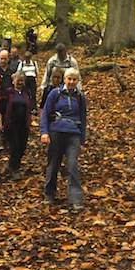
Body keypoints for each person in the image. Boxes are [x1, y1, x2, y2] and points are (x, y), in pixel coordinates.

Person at [40, 67, 87, 210]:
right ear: (65, 79)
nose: (71, 82)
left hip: (73, 134)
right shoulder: (55, 93)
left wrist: (82, 141)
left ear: (77, 81)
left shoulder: (80, 97)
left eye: (74, 79)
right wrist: (44, 132)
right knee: (53, 164)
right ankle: (49, 194)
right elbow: (45, 113)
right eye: (69, 79)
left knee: (73, 165)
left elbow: (83, 119)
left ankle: (75, 199)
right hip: (56, 132)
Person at [0, 72, 32, 179]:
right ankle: (15, 169)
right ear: (13, 81)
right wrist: (0, 122)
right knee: (14, 146)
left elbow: (30, 107)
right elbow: (0, 109)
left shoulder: (26, 92)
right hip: (11, 124)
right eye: (18, 80)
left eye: (22, 80)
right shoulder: (8, 92)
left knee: (22, 146)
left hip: (23, 124)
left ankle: (11, 165)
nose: (20, 83)